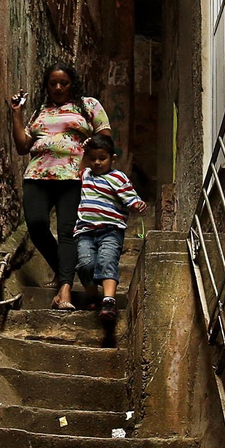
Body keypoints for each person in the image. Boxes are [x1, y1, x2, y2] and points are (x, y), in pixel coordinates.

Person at [9, 62, 111, 310]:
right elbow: (23, 146)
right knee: (36, 225)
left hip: (73, 176)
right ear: (47, 86)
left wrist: (88, 151)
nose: (57, 87)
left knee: (67, 231)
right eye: (52, 83)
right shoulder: (40, 112)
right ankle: (62, 268)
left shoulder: (88, 105)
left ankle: (64, 290)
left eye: (63, 83)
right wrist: (16, 113)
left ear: (71, 84)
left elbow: (106, 136)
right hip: (37, 174)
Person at [73, 133, 144, 322]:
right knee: (85, 265)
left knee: (106, 261)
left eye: (102, 158)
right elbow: (80, 168)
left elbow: (131, 198)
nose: (97, 162)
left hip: (111, 231)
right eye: (92, 158)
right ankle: (92, 296)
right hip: (85, 231)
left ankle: (109, 301)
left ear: (112, 158)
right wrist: (84, 150)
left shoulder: (118, 177)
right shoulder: (86, 175)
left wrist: (136, 204)